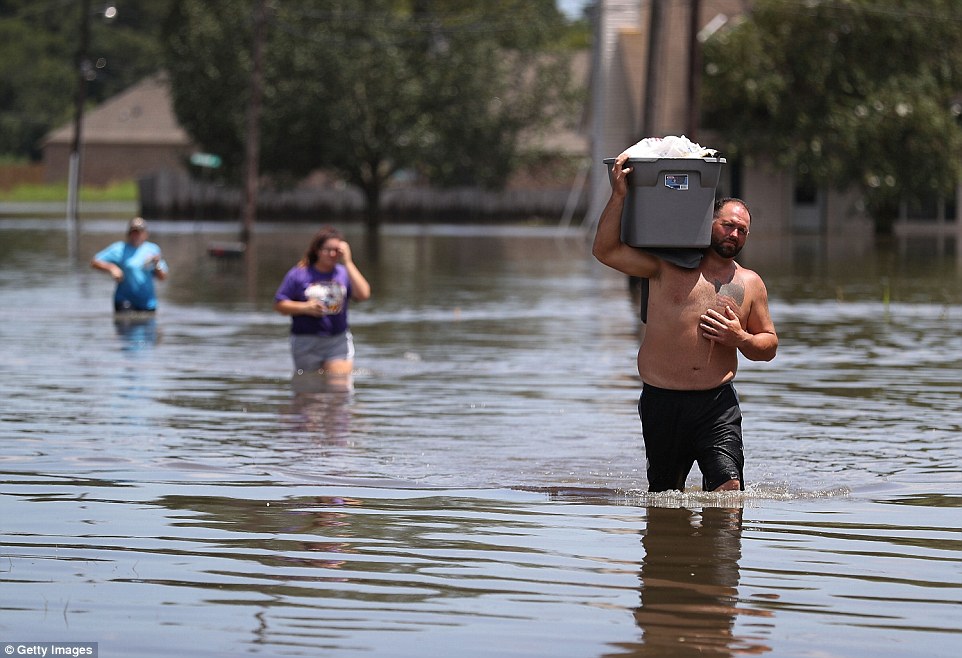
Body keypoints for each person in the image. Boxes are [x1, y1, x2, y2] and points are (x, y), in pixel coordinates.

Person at [592, 153, 778, 492]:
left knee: (728, 491)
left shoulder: (750, 282)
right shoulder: (665, 266)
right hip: (662, 401)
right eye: (728, 225)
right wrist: (619, 195)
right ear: (708, 221)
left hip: (717, 404)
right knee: (664, 498)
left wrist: (740, 338)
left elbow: (769, 346)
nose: (734, 234)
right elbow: (605, 250)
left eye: (742, 231)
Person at [273, 226, 371, 377]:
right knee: (309, 393)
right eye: (327, 249)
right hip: (305, 341)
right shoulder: (299, 274)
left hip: (337, 341)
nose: (332, 254)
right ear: (317, 250)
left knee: (339, 385)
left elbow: (364, 294)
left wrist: (348, 262)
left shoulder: (344, 273)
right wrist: (305, 307)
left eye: (336, 250)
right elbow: (279, 305)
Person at [91, 216, 168, 312]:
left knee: (149, 326)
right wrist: (112, 268)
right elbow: (95, 262)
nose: (136, 235)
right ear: (128, 233)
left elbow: (162, 277)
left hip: (147, 303)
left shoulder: (153, 250)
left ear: (145, 234)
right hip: (125, 301)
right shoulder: (119, 249)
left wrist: (157, 264)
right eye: (133, 232)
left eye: (139, 232)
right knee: (126, 323)